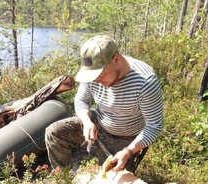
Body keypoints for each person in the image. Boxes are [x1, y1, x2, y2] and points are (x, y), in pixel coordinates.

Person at [45, 35, 164, 172]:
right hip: (98, 123)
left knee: (109, 178)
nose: (96, 81)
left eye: (101, 75)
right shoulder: (92, 75)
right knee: (54, 133)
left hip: (126, 139)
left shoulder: (145, 82)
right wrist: (87, 122)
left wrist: (129, 151)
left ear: (116, 59)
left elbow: (154, 126)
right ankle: (66, 181)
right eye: (93, 77)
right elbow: (81, 100)